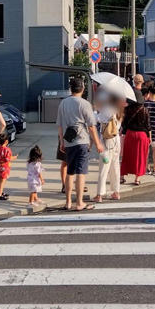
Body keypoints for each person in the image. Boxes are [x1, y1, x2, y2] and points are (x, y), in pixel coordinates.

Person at [56, 77, 102, 210]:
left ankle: (68, 202)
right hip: (82, 141)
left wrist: (61, 141)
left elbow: (59, 125)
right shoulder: (85, 104)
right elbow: (92, 126)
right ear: (82, 89)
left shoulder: (63, 103)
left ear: (71, 88)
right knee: (80, 172)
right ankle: (79, 203)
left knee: (70, 172)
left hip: (68, 141)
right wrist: (98, 143)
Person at [93, 92, 123, 202]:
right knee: (115, 166)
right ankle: (116, 191)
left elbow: (97, 118)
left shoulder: (107, 109)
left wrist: (96, 110)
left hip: (107, 140)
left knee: (104, 167)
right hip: (116, 140)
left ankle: (99, 194)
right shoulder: (119, 109)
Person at [120, 99, 151, 185]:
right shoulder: (144, 110)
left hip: (130, 133)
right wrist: (150, 136)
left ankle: (122, 176)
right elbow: (148, 125)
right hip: (142, 135)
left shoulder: (127, 109)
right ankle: (137, 178)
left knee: (127, 155)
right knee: (141, 157)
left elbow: (124, 124)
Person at [0, 132, 17, 201]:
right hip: (5, 167)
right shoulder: (7, 150)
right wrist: (14, 157)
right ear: (6, 141)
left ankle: (0, 192)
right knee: (3, 181)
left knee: (0, 181)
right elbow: (7, 159)